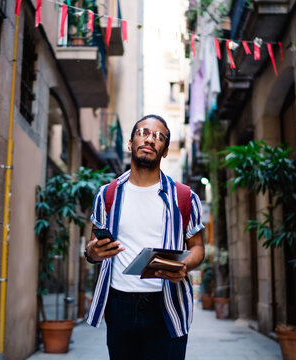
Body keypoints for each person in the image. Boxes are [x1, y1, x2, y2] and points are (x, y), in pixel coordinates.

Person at [84, 114, 205, 359]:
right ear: (130, 143)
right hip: (119, 305)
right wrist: (92, 253)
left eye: (159, 137)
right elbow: (92, 247)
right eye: (143, 133)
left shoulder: (184, 197)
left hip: (167, 305)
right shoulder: (106, 195)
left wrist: (184, 265)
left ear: (165, 151)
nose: (150, 139)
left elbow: (198, 247)